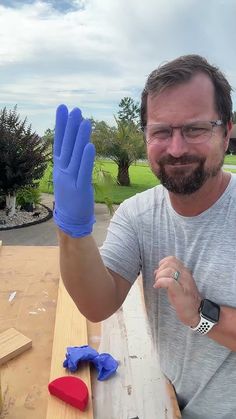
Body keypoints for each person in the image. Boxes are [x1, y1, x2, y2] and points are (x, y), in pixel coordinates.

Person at [52, 54, 236, 419]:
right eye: (161, 131)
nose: (177, 148)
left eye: (196, 129)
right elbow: (97, 304)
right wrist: (72, 230)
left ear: (228, 131)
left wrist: (202, 314)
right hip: (175, 403)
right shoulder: (138, 214)